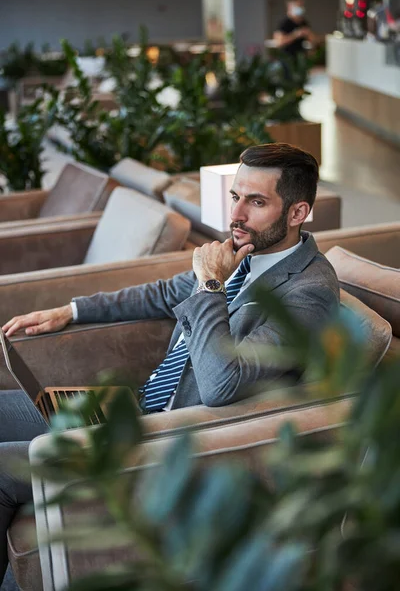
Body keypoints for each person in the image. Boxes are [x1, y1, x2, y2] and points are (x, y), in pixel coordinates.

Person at [0, 143, 339, 585]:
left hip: (167, 440)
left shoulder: (307, 292)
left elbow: (222, 386)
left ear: (297, 213)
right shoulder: (246, 251)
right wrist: (72, 310)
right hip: (134, 406)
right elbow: (161, 293)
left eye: (256, 202)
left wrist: (211, 285)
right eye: (236, 196)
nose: (236, 214)